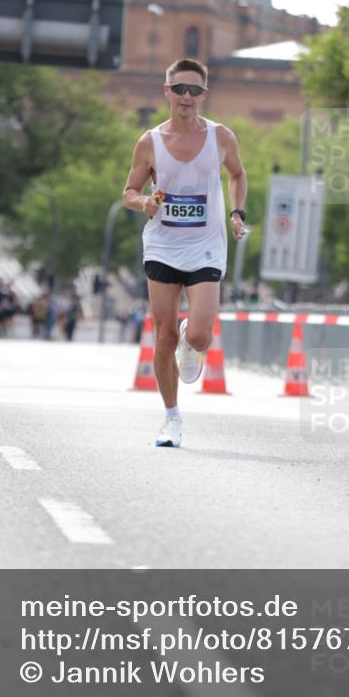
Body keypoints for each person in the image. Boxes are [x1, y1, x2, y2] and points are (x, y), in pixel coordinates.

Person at [122, 58, 248, 448]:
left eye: (194, 90)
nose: (187, 97)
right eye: (180, 89)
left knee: (200, 334)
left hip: (207, 245)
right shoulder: (150, 142)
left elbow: (238, 174)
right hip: (162, 243)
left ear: (204, 95)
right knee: (161, 336)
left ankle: (188, 341)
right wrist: (143, 202)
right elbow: (127, 192)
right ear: (167, 92)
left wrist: (236, 213)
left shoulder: (221, 137)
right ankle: (171, 418)